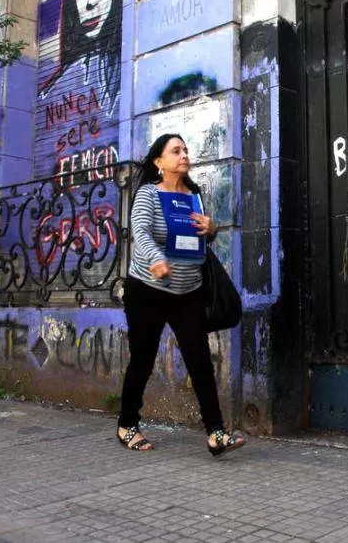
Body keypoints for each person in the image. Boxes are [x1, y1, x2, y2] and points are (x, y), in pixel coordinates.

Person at [116, 133, 246, 457]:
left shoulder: (194, 195)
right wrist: (156, 260)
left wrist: (211, 229)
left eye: (186, 149)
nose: (184, 154)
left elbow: (201, 240)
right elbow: (140, 232)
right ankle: (126, 423)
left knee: (199, 361)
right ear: (159, 162)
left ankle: (216, 433)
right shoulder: (148, 194)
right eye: (176, 151)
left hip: (188, 291)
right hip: (147, 290)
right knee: (143, 360)